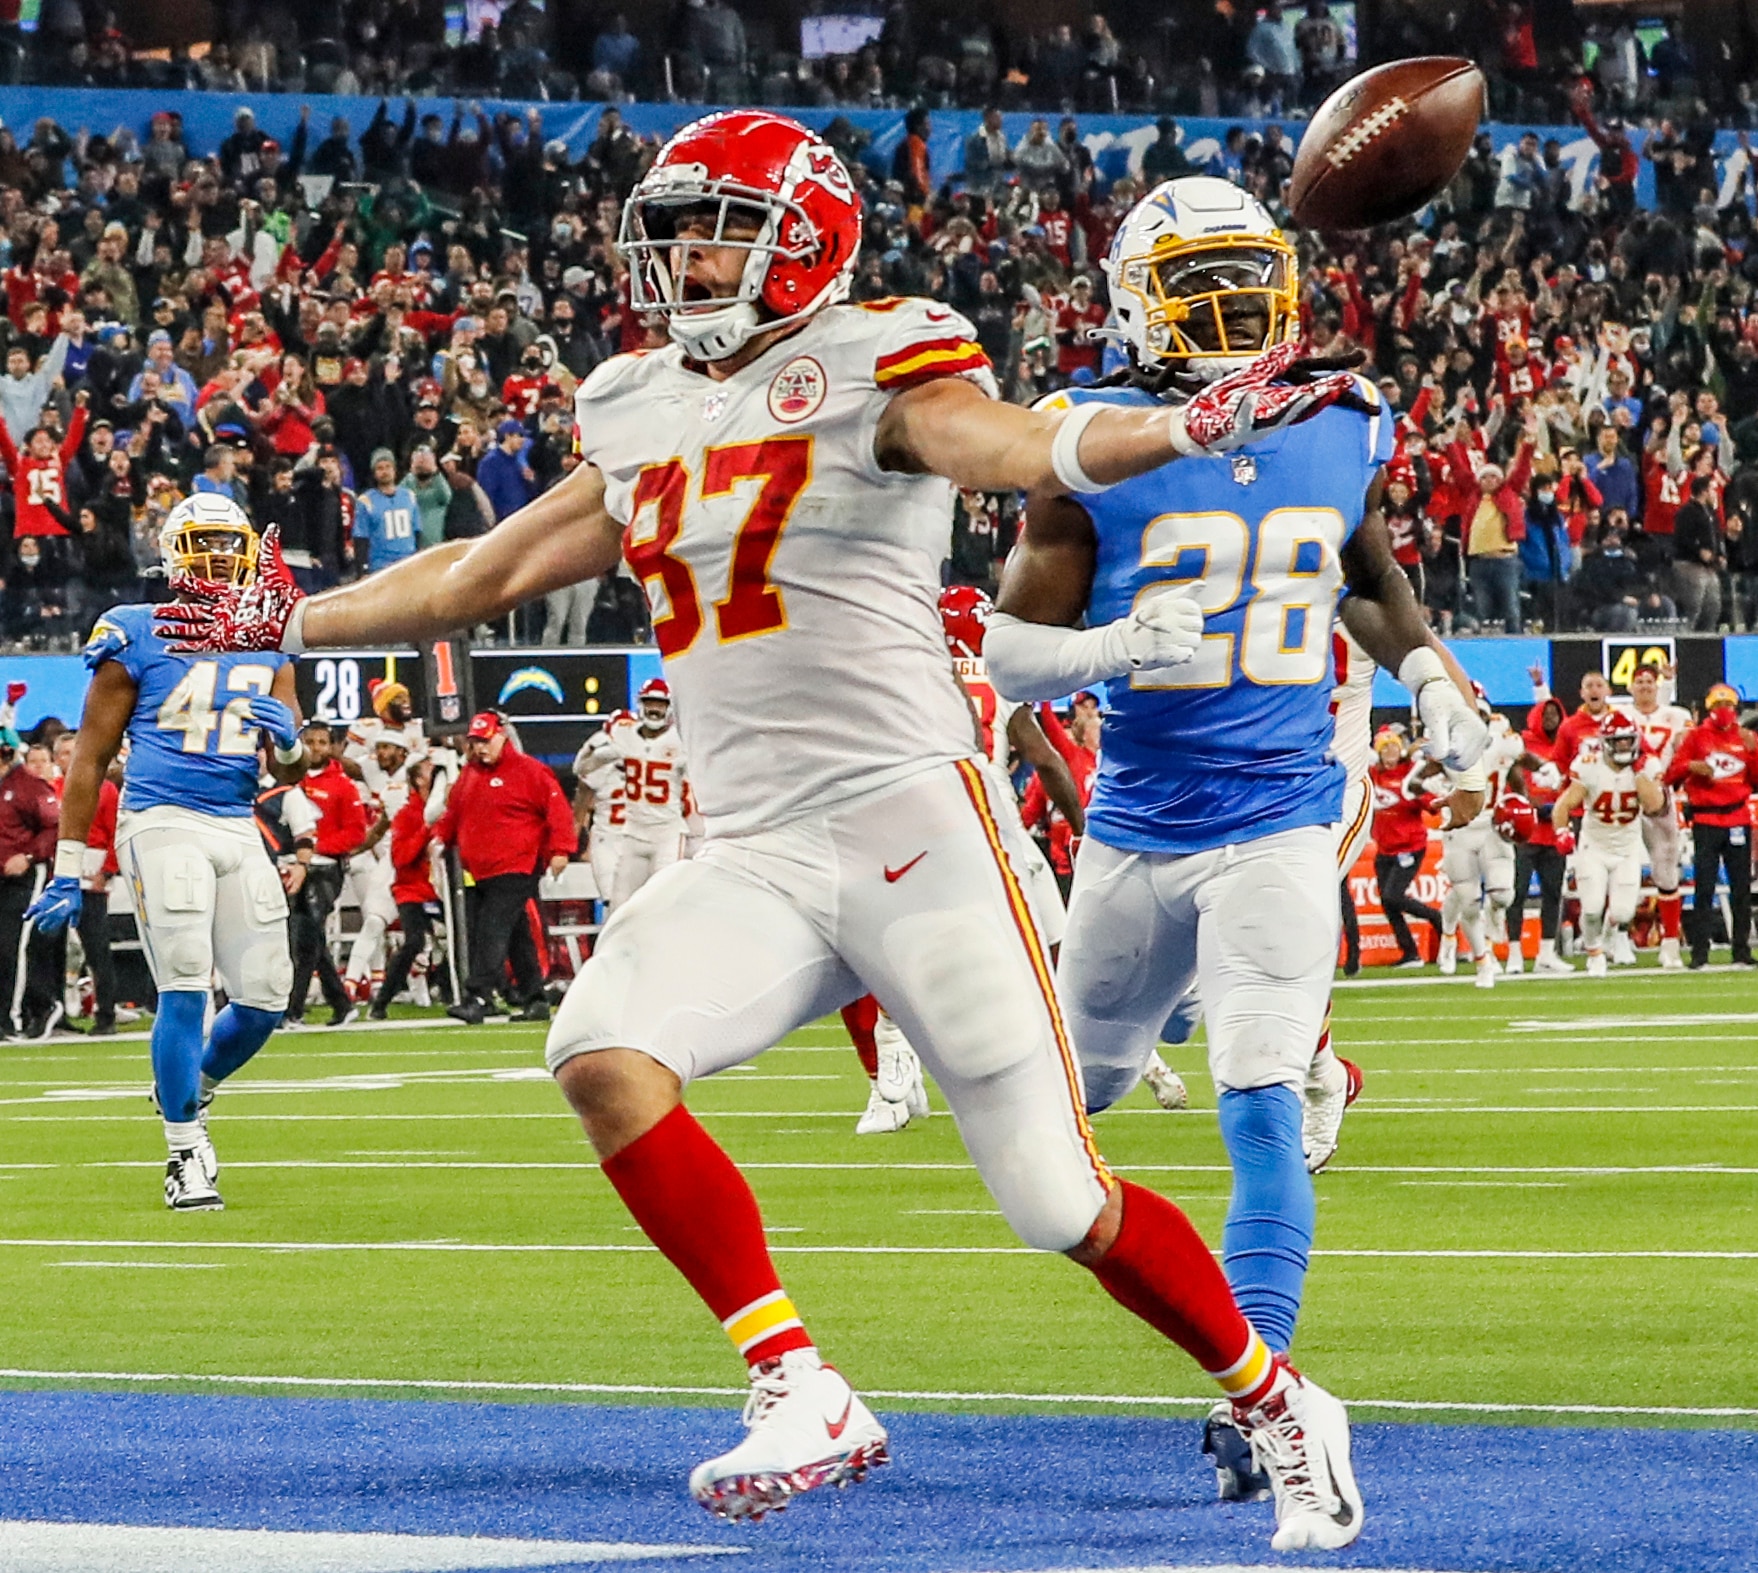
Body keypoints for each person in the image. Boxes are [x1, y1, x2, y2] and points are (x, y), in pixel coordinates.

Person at [155, 111, 1377, 1549]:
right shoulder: (638, 398)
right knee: (600, 1053)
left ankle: (1278, 1399)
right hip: (753, 846)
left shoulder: (881, 350)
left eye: (714, 224)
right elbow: (483, 570)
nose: (684, 254)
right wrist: (287, 616)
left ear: (802, 232)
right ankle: (796, 1380)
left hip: (912, 820)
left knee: (1059, 1199)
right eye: (672, 226)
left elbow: (1011, 442)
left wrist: (1177, 423)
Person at [985, 176, 1486, 1527]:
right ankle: (1309, 1060)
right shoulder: (1086, 445)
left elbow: (1369, 580)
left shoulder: (1338, 419)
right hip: (1135, 835)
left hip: (1274, 817)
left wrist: (1432, 679)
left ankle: (1258, 1391)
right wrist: (1102, 649)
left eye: (1245, 277)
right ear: (1134, 302)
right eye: (1197, 283)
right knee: (1046, 1128)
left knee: (1251, 1098)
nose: (1231, 307)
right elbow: (1007, 656)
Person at [26, 496, 305, 1209]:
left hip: (238, 820)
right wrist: (69, 867)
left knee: (267, 996)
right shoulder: (135, 630)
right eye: (202, 542)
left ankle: (190, 1087)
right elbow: (88, 760)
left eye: (227, 542)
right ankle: (185, 1152)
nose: (216, 556)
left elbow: (293, 765)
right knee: (184, 979)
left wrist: (296, 741)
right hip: (160, 818)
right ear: (173, 551)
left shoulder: (271, 636)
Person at [432, 710, 573, 1024]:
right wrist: (440, 839)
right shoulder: (470, 774)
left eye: (485, 741)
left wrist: (561, 849)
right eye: (475, 742)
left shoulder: (530, 771)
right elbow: (454, 812)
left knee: (491, 929)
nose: (480, 748)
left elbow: (558, 811)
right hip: (482, 869)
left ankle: (478, 995)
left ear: (502, 737)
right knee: (515, 934)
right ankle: (534, 996)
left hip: (517, 864)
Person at [1552, 711, 1662, 976]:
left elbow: (1654, 805)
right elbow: (1563, 805)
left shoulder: (1646, 767)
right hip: (1595, 846)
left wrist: (1638, 773)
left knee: (1623, 913)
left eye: (1628, 740)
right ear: (1605, 742)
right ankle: (1594, 953)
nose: (1624, 746)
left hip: (1626, 849)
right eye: (1618, 741)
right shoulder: (1590, 766)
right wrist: (1561, 832)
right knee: (1591, 908)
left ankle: (1608, 934)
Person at [565, 679, 685, 914]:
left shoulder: (678, 742)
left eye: (659, 704)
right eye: (649, 703)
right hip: (624, 836)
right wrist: (592, 751)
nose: (654, 709)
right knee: (618, 908)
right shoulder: (621, 741)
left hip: (665, 832)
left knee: (663, 902)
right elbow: (581, 770)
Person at [1433, 691, 1525, 989]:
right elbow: (1416, 779)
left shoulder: (1502, 738)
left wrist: (1535, 783)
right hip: (1460, 829)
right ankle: (1481, 960)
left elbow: (1520, 765)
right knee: (1469, 901)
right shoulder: (1447, 741)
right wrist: (1431, 787)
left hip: (1493, 827)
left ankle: (1476, 930)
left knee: (1502, 895)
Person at [1666, 685, 1758, 968]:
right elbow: (1671, 774)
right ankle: (1699, 953)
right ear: (1709, 708)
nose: (1724, 711)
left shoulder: (1746, 738)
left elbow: (1754, 780)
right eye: (1719, 706)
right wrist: (1691, 766)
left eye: (1729, 705)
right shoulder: (1696, 737)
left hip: (1737, 818)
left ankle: (1741, 951)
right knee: (1704, 888)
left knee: (1741, 888)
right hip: (1706, 819)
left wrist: (1754, 753)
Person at [287, 721, 363, 1028]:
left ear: (331, 746)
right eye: (310, 741)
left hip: (326, 870)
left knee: (306, 938)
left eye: (321, 742)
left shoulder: (343, 785)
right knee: (309, 938)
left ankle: (292, 1010)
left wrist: (318, 846)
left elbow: (356, 832)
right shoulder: (291, 779)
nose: (315, 747)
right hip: (295, 867)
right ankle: (341, 1004)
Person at [1614, 664, 1691, 968]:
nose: (1645, 686)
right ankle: (1616, 939)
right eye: (1639, 681)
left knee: (1666, 868)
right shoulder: (1619, 714)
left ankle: (1670, 942)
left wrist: (1669, 780)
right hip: (1624, 795)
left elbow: (1685, 754)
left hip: (1662, 795)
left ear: (1657, 686)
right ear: (1630, 687)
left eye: (1650, 681)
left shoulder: (1677, 716)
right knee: (1618, 866)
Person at [370, 755, 442, 1020]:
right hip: (412, 890)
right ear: (418, 780)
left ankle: (457, 990)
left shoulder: (445, 811)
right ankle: (382, 1001)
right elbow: (401, 858)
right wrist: (425, 829)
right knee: (413, 941)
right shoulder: (406, 815)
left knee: (468, 934)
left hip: (439, 890)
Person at [1367, 728, 1444, 966]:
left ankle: (1436, 918)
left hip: (1409, 846)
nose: (1390, 752)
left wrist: (1420, 794)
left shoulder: (1409, 774)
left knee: (1394, 895)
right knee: (1387, 903)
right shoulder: (1372, 775)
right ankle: (1410, 953)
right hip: (1385, 848)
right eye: (1384, 748)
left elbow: (1432, 805)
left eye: (1393, 747)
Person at [0, 732, 60, 1036]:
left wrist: (28, 855)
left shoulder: (29, 787)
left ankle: (11, 1017)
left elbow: (53, 827)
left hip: (23, 877)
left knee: (11, 946)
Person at [353, 449, 421, 575]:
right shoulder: (366, 501)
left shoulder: (409, 496)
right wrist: (363, 568)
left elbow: (417, 531)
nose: (385, 471)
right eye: (380, 468)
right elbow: (361, 538)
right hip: (381, 566)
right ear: (374, 473)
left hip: (408, 563)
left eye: (388, 467)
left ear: (394, 469)